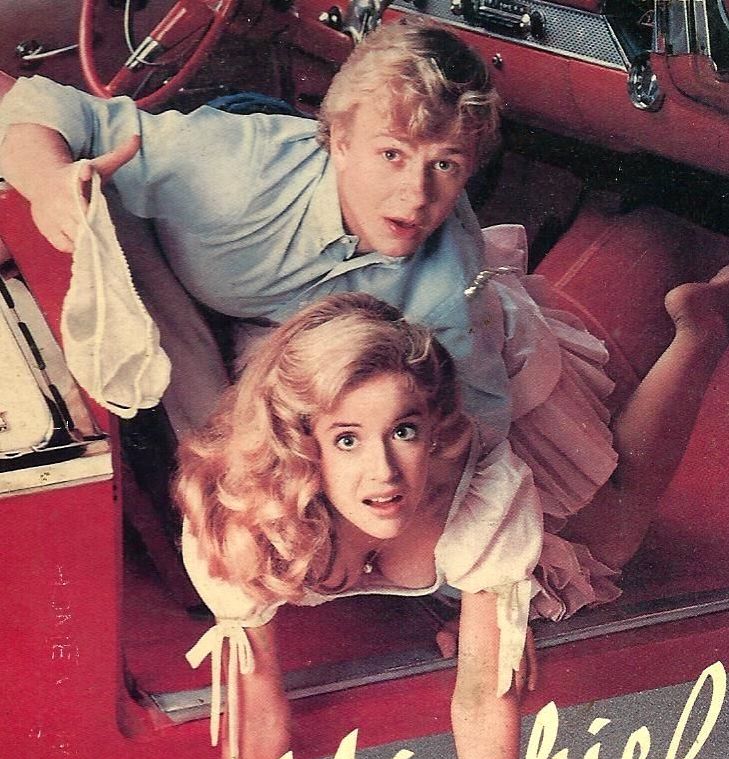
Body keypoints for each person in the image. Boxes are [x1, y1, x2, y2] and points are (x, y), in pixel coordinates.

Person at [138, 265, 729, 759]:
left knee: (611, 533)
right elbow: (257, 726)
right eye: (346, 439)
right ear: (304, 446)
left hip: (491, 374)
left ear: (434, 429)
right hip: (310, 420)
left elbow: (482, 698)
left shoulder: (480, 486)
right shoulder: (239, 523)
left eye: (403, 431)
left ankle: (702, 328)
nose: (383, 473)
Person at [0, 20, 509, 444]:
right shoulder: (233, 169)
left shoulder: (451, 278)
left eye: (445, 165)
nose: (416, 195)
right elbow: (40, 103)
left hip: (277, 311)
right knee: (212, 439)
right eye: (392, 154)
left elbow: (477, 422)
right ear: (341, 142)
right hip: (194, 225)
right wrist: (48, 184)